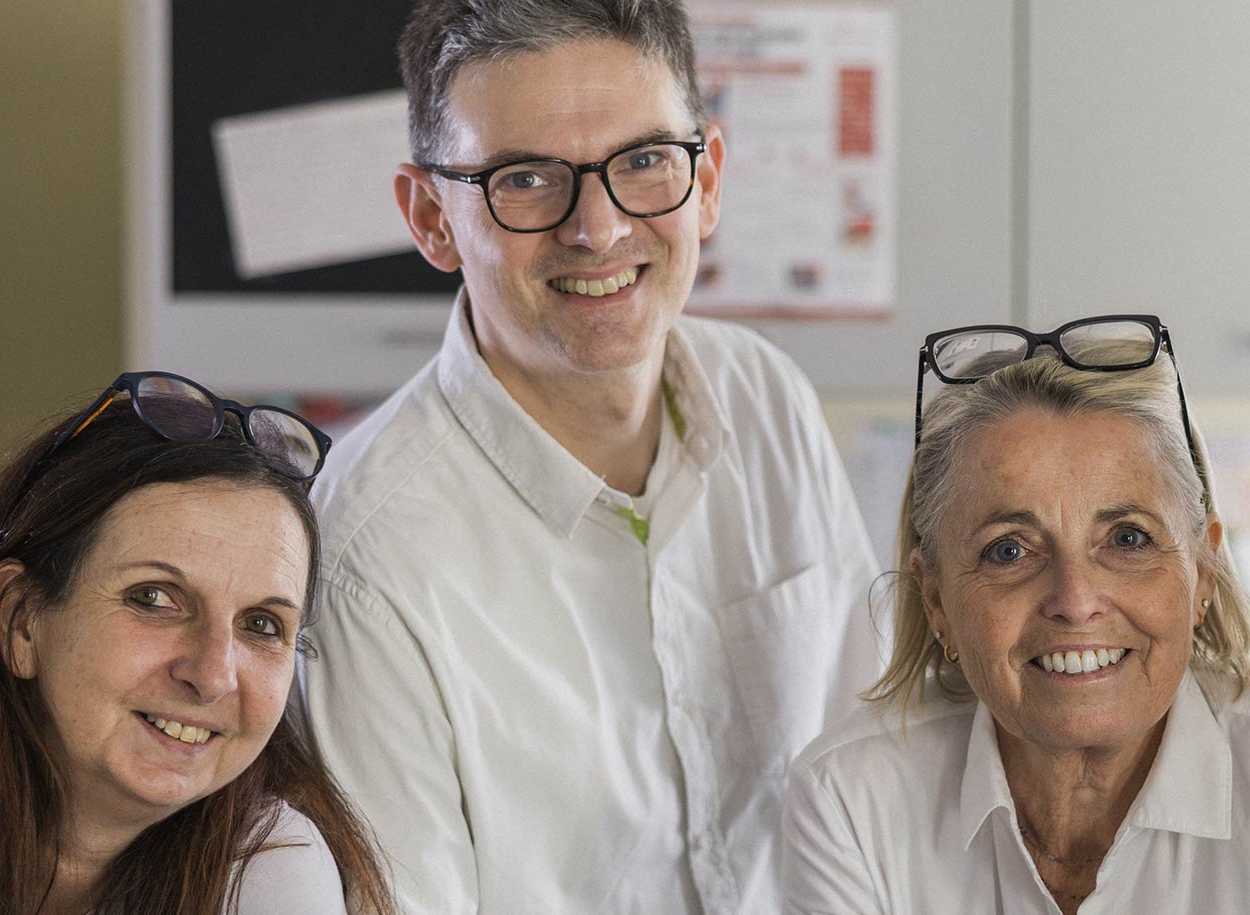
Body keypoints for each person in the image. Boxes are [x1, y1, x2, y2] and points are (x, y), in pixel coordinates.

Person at [299, 1, 882, 911]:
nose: (599, 230)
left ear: (707, 180)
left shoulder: (767, 401)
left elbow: (865, 778)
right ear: (432, 217)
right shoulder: (363, 564)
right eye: (527, 178)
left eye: (644, 161)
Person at [779, 317, 1250, 914]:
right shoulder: (848, 797)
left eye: (1128, 539)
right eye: (1009, 550)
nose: (1075, 602)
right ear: (936, 600)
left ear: (1204, 569)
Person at [0, 371, 393, 914]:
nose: (213, 675)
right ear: (21, 620)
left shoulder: (271, 876)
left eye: (261, 625)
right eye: (154, 598)